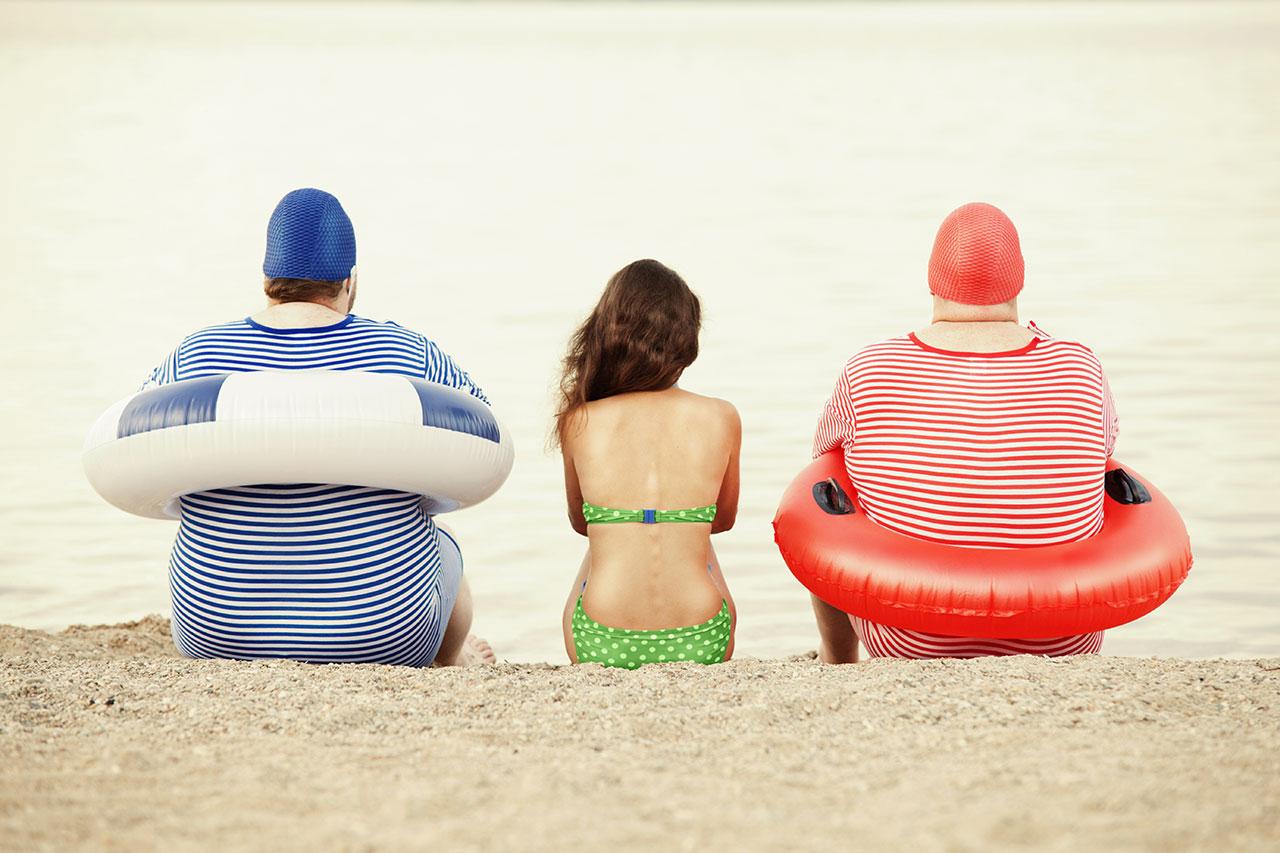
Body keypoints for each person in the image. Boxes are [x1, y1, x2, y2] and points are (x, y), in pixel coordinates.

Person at [141, 188, 494, 667]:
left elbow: (139, 438)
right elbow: (482, 429)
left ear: (267, 279)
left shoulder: (196, 355)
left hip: (214, 634)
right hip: (385, 635)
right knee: (443, 538)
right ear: (349, 281)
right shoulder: (407, 352)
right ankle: (451, 662)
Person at [810, 202, 1118, 661]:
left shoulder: (871, 368)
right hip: (1065, 636)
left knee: (830, 486)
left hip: (907, 638)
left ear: (932, 279)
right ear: (1020, 279)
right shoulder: (1079, 366)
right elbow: (1100, 456)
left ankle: (838, 659)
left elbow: (822, 467)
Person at [555, 260, 740, 669]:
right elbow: (723, 520)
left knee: (606, 528)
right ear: (686, 338)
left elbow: (581, 523)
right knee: (694, 527)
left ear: (607, 334)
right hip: (704, 637)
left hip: (598, 641)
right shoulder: (722, 416)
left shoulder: (578, 420)